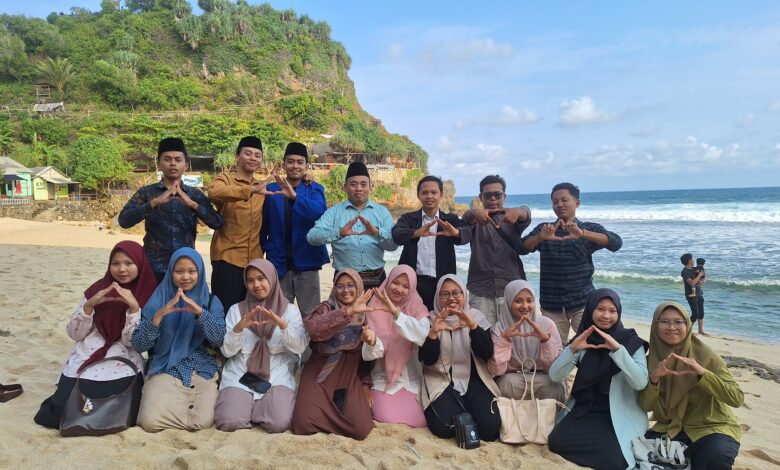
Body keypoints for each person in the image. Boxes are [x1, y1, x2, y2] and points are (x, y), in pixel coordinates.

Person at [34, 241, 156, 429]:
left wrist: (134, 308)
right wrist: (89, 306)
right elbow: (75, 334)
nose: (122, 269)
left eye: (129, 263)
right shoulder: (98, 290)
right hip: (88, 352)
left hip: (123, 357)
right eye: (115, 263)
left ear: (140, 264)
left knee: (123, 409)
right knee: (57, 414)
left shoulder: (148, 294)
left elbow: (132, 342)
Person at [547, 288, 648, 470]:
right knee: (556, 442)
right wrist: (572, 349)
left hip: (618, 412)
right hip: (586, 407)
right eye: (600, 309)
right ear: (590, 309)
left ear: (619, 312)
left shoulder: (631, 341)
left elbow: (640, 382)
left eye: (612, 311)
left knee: (618, 461)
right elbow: (555, 376)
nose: (606, 316)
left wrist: (618, 350)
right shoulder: (584, 340)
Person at [131, 247, 226, 432]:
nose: (185, 277)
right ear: (170, 272)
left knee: (203, 421)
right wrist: (158, 316)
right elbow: (139, 345)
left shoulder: (211, 301)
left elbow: (219, 339)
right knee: (150, 422)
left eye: (192, 271)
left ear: (200, 272)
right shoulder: (157, 301)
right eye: (179, 271)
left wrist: (200, 313)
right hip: (165, 365)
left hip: (201, 366)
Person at [640, 301, 743, 470]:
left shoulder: (706, 356)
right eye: (664, 321)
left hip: (711, 427)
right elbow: (646, 406)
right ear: (655, 325)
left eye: (678, 322)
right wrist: (654, 379)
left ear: (687, 325)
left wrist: (703, 374)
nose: (671, 327)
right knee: (635, 456)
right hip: (670, 428)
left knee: (715, 458)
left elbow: (736, 398)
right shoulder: (650, 360)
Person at [521, 182, 623, 343]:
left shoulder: (588, 228)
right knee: (554, 349)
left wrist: (583, 234)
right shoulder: (545, 229)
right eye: (555, 201)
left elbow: (616, 243)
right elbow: (522, 247)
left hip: (583, 302)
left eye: (564, 200)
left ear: (577, 203)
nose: (559, 204)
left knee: (594, 343)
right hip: (551, 303)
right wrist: (541, 237)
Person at [214, 259, 307, 433]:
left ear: (272, 278)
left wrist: (282, 325)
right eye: (250, 280)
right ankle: (248, 405)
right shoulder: (236, 310)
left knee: (279, 422)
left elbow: (300, 348)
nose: (256, 285)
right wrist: (238, 328)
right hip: (242, 371)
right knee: (229, 421)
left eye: (261, 278)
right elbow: (227, 351)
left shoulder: (290, 311)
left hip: (277, 372)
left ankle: (255, 407)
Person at [118, 137, 223, 283]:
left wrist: (192, 204)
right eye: (167, 159)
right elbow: (123, 220)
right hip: (152, 267)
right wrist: (154, 203)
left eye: (178, 160)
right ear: (159, 164)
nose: (173, 163)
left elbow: (217, 223)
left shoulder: (195, 195)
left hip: (185, 269)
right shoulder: (147, 193)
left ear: (185, 165)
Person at [290, 270, 376, 440]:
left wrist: (365, 385)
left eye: (351, 285)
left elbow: (364, 358)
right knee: (302, 423)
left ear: (359, 287)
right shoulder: (325, 308)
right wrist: (347, 312)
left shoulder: (366, 313)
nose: (345, 290)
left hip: (348, 372)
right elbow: (313, 328)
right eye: (340, 286)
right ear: (334, 288)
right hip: (319, 369)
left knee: (361, 428)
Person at [419, 274, 501, 442]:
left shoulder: (475, 317)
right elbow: (426, 360)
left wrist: (473, 326)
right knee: (444, 427)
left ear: (464, 294)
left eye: (457, 293)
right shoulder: (431, 319)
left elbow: (486, 353)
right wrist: (433, 333)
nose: (451, 298)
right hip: (442, 379)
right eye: (445, 294)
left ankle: (469, 409)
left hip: (473, 379)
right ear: (438, 297)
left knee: (490, 428)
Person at [261, 142, 329, 317]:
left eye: (300, 162)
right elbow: (263, 224)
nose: (295, 166)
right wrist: (263, 250)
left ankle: (310, 338)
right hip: (278, 262)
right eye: (290, 161)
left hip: (308, 262)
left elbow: (319, 212)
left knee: (311, 315)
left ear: (306, 166)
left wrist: (295, 197)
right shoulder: (272, 190)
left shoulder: (315, 188)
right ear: (284, 164)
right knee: (279, 314)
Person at [207, 136, 274, 310]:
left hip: (254, 262)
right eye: (248, 153)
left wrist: (307, 179)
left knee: (252, 312)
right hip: (227, 259)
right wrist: (250, 190)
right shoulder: (225, 179)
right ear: (237, 156)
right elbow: (214, 192)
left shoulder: (263, 186)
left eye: (257, 155)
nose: (253, 158)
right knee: (225, 311)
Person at [307, 161, 397, 288]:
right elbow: (312, 237)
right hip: (345, 282)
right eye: (353, 184)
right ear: (345, 187)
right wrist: (339, 233)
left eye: (363, 184)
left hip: (377, 280)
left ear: (370, 187)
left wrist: (377, 232)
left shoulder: (382, 212)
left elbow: (393, 246)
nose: (359, 188)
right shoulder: (333, 212)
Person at [363, 265, 430, 427]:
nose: (399, 289)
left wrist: (396, 313)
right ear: (388, 281)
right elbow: (372, 354)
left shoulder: (417, 306)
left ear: (412, 288)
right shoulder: (374, 306)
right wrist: (372, 342)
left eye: (406, 286)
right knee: (386, 416)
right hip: (383, 376)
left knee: (420, 419)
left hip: (410, 377)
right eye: (395, 283)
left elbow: (423, 335)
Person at [462, 175, 531, 325]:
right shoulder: (474, 220)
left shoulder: (512, 218)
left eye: (497, 194)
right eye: (488, 195)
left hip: (512, 290)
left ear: (504, 196)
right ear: (480, 197)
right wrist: (474, 212)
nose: (493, 198)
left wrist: (519, 211)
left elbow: (527, 214)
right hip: (480, 291)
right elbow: (465, 219)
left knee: (516, 335)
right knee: (482, 336)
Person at [392, 175, 467, 310]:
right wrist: (416, 233)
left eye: (433, 192)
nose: (429, 196)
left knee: (441, 319)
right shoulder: (408, 219)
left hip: (442, 283)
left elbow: (468, 233)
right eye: (425, 193)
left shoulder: (449, 220)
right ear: (418, 195)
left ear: (441, 194)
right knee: (412, 319)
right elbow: (397, 235)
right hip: (413, 282)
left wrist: (456, 233)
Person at [487, 280, 565, 402]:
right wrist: (504, 339)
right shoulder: (499, 328)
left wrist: (545, 340)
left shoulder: (547, 324)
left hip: (544, 378)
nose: (525, 306)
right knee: (505, 384)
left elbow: (555, 370)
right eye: (518, 301)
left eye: (529, 300)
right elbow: (496, 370)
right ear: (508, 302)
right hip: (513, 380)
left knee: (555, 388)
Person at [680, 253, 706, 335]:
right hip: (691, 295)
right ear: (689, 261)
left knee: (701, 313)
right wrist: (699, 275)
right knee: (695, 314)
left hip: (699, 293)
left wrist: (702, 281)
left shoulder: (694, 269)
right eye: (692, 259)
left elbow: (702, 277)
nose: (694, 260)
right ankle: (687, 331)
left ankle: (700, 331)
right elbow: (691, 282)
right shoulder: (684, 272)